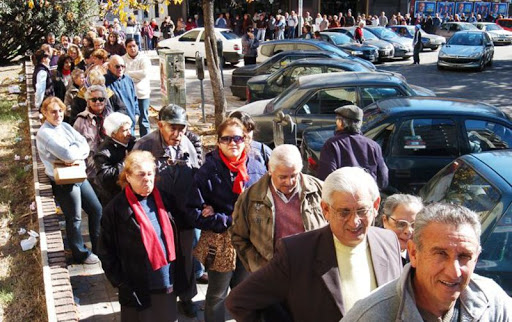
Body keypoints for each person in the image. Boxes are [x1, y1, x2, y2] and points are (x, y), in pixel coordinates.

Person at [226, 167, 403, 321]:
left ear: (375, 205)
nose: (354, 222)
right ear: (325, 209)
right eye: (344, 212)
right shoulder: (297, 253)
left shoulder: (388, 241)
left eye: (362, 210)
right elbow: (240, 302)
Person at [343, 203, 512, 321]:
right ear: (414, 253)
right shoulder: (370, 316)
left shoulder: (493, 302)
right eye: (441, 254)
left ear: (476, 257)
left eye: (464, 256)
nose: (454, 272)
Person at [187, 118, 267, 322]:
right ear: (219, 142)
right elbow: (194, 212)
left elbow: (267, 203)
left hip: (250, 242)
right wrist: (226, 220)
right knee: (216, 295)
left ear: (245, 140)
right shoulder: (208, 171)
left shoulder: (257, 166)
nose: (233, 143)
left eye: (238, 138)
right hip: (221, 243)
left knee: (243, 292)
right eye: (227, 138)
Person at [97, 150, 182, 321]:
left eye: (150, 173)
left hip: (166, 280)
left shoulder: (165, 200)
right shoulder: (115, 209)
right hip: (136, 285)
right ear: (127, 176)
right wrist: (120, 282)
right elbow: (105, 251)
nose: (147, 179)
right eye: (140, 174)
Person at [134, 104, 201, 318]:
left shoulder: (188, 142)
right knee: (160, 259)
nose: (177, 133)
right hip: (157, 214)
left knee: (187, 258)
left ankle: (187, 298)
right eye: (172, 128)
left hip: (184, 212)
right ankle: (163, 298)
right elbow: (132, 180)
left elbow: (198, 170)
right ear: (160, 124)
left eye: (181, 128)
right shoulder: (144, 145)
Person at [230, 144, 326, 273]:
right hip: (272, 275)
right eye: (283, 177)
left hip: (313, 271)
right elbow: (238, 236)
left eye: (294, 176)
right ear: (270, 170)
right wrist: (257, 267)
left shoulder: (321, 190)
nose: (289, 182)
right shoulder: (250, 197)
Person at [36, 97, 102, 264]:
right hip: (63, 180)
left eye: (60, 111)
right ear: (44, 113)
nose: (58, 115)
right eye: (53, 112)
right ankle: (80, 253)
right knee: (74, 217)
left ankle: (99, 247)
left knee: (96, 209)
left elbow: (85, 146)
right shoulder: (45, 133)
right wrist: (73, 153)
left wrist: (73, 153)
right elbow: (68, 155)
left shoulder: (64, 126)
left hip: (77, 172)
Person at [317, 105, 388, 189]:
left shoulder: (332, 144)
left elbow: (326, 177)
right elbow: (383, 180)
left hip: (342, 197)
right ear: (360, 123)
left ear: (340, 123)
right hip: (367, 196)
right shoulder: (374, 146)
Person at [94, 112, 135, 205]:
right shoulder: (103, 153)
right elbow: (105, 179)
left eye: (129, 129)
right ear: (113, 134)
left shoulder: (134, 143)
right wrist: (125, 162)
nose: (129, 133)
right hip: (115, 199)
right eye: (124, 130)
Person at [380, 194, 423, 265]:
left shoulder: (419, 258)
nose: (408, 231)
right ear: (385, 221)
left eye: (414, 225)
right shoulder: (370, 252)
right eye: (401, 224)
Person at [123, 38, 151, 137]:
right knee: (130, 120)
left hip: (142, 94)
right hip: (128, 95)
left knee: (144, 120)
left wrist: (128, 74)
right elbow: (121, 75)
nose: (132, 49)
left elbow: (144, 73)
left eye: (134, 46)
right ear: (126, 48)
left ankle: (146, 143)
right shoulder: (122, 60)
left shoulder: (144, 58)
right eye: (129, 46)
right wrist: (135, 76)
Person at [105, 55, 139, 134]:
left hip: (130, 124)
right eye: (117, 66)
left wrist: (136, 114)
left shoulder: (128, 79)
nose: (120, 69)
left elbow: (134, 99)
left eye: (122, 66)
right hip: (116, 128)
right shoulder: (104, 82)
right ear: (109, 67)